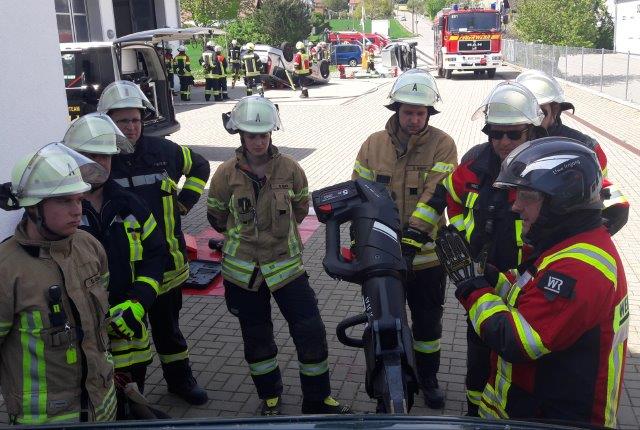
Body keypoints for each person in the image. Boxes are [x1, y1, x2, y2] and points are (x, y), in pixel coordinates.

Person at [435, 137, 628, 428]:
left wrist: (472, 288)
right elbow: (529, 291)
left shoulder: (579, 269)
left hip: (554, 418)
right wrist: (489, 276)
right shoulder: (568, 242)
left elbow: (516, 340)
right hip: (533, 409)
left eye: (527, 196)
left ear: (560, 202)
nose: (515, 206)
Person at [207, 96, 352, 416]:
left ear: (272, 133)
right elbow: (216, 215)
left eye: (264, 134)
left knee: (310, 330)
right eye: (252, 135)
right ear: (240, 135)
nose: (259, 141)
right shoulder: (225, 174)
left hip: (286, 267)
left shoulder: (290, 168)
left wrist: (275, 235)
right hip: (243, 273)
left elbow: (300, 207)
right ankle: (270, 396)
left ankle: (317, 399)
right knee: (256, 335)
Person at [419, 81, 545, 416]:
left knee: (521, 357)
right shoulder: (477, 164)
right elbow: (448, 193)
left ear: (531, 130)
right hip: (484, 279)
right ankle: (474, 415)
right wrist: (460, 233)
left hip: (530, 284)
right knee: (478, 356)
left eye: (513, 134)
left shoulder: (547, 167)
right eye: (495, 133)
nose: (503, 141)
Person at [97, 80, 210, 405]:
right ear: (108, 122)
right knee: (128, 337)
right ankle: (132, 395)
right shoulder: (101, 159)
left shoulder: (164, 151)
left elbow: (200, 166)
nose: (131, 127)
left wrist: (186, 201)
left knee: (168, 329)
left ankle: (180, 380)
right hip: (123, 272)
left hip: (166, 265)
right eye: (123, 121)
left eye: (135, 119)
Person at [352, 69, 457, 409]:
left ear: (429, 113)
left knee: (428, 326)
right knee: (386, 323)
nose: (414, 120)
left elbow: (435, 197)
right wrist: (359, 242)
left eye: (420, 113)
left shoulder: (443, 145)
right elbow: (359, 194)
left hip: (426, 259)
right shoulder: (373, 145)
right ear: (396, 109)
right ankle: (386, 380)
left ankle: (428, 379)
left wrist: (411, 241)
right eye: (408, 112)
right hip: (383, 258)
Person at [0, 143, 117, 423]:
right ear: (33, 207)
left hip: (103, 408)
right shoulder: (7, 268)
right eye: (64, 201)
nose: (77, 210)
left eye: (79, 199)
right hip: (45, 420)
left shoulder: (90, 247)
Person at [61, 113, 167, 419]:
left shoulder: (130, 205)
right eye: (92, 156)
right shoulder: (61, 213)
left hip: (129, 329)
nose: (101, 163)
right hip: (84, 337)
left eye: (106, 156)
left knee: (132, 394)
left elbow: (156, 256)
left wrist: (139, 302)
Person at [515, 69, 629, 235]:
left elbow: (603, 195)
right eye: (524, 111)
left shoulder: (585, 148)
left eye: (539, 112)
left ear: (554, 110)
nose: (531, 120)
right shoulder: (507, 141)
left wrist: (579, 237)